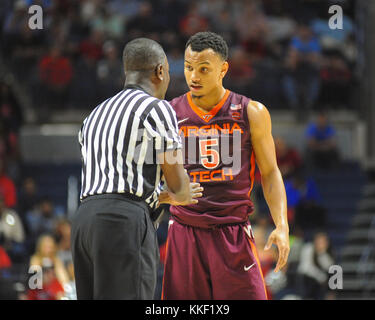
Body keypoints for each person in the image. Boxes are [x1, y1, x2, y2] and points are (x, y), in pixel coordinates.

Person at [71, 37, 202, 300]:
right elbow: (179, 186)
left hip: (84, 222)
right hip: (123, 222)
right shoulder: (158, 108)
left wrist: (158, 195)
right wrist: (182, 194)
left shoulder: (94, 114)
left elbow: (113, 178)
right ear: (160, 71)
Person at [161, 32, 289, 300]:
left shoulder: (250, 111)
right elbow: (155, 175)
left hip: (232, 232)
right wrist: (161, 194)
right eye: (188, 67)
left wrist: (282, 225)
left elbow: (270, 172)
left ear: (223, 69)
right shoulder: (169, 114)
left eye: (204, 69)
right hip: (185, 231)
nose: (194, 76)